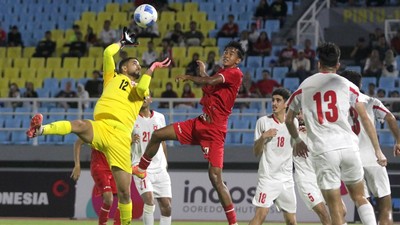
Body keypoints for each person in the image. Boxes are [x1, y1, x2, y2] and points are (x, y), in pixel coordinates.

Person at [26, 27, 171, 225]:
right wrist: (122, 43)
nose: (137, 65)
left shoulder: (139, 91)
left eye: (139, 64)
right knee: (79, 124)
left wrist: (152, 68)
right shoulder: (112, 77)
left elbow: (145, 87)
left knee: (124, 194)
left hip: (121, 136)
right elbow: (107, 53)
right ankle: (41, 130)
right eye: (133, 62)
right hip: (102, 126)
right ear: (123, 68)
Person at [132, 41, 245, 225]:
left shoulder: (234, 73)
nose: (227, 54)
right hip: (199, 123)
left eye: (232, 53)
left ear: (238, 60)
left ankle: (233, 223)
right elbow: (209, 86)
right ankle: (141, 168)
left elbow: (208, 82)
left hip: (215, 130)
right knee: (158, 134)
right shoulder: (222, 74)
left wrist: (190, 77)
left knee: (216, 178)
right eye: (226, 51)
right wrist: (202, 72)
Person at [285, 42, 386, 225]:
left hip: (324, 151)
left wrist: (296, 139)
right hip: (349, 147)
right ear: (338, 65)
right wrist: (377, 150)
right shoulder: (347, 85)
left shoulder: (304, 86)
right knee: (360, 196)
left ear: (318, 63)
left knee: (335, 208)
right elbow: (365, 118)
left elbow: (287, 118)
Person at [341, 70, 400, 225]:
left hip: (351, 159)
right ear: (360, 84)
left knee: (363, 202)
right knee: (385, 203)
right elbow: (390, 117)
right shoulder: (370, 100)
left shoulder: (337, 104)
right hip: (373, 158)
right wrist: (398, 141)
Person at [249, 88, 298, 225]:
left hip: (287, 179)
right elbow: (256, 152)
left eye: (278, 100)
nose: (274, 103)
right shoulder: (263, 122)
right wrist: (263, 137)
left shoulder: (293, 123)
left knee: (291, 221)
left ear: (286, 103)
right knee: (261, 215)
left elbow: (296, 148)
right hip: (268, 178)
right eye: (273, 100)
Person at [131, 96, 172, 225]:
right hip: (141, 167)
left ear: (151, 100)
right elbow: (121, 141)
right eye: (140, 97)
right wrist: (130, 139)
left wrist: (165, 162)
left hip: (160, 167)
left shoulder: (160, 117)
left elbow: (163, 141)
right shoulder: (131, 119)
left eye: (146, 96)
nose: (143, 98)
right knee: (149, 200)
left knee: (167, 207)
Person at [71, 139, 121, 225]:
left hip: (114, 167)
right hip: (99, 167)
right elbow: (78, 143)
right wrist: (77, 165)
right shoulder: (95, 129)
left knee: (124, 198)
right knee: (108, 199)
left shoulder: (117, 130)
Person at [293, 111, 331, 225]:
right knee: (323, 213)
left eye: (301, 113)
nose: (299, 117)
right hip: (305, 180)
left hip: (322, 177)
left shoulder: (318, 131)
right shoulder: (292, 133)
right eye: (297, 114)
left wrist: (311, 132)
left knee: (341, 211)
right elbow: (294, 152)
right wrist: (297, 139)